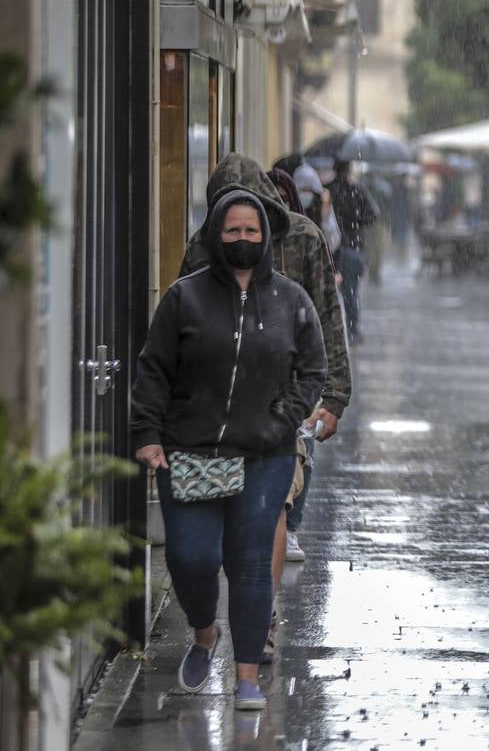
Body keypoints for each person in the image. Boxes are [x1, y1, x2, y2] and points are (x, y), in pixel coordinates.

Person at [131, 190, 326, 710]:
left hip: (265, 455)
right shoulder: (183, 298)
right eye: (233, 231)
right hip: (190, 450)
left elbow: (313, 370)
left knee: (251, 563)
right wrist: (148, 435)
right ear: (216, 235)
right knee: (190, 557)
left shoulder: (292, 300)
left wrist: (281, 420)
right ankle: (203, 632)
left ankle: (246, 678)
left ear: (266, 237)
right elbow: (153, 370)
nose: (243, 239)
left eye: (252, 231)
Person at [183, 155, 351, 572]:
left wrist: (335, 395)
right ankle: (245, 605)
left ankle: (262, 610)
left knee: (271, 505)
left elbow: (329, 315)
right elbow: (180, 326)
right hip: (221, 399)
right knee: (225, 514)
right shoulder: (203, 245)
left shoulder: (303, 237)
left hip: (286, 394)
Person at [326, 157, 380, 342]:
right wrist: (356, 222)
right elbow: (374, 215)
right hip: (352, 246)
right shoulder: (356, 190)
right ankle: (352, 330)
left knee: (328, 291)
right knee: (351, 291)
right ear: (348, 170)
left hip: (329, 248)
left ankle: (333, 331)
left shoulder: (326, 190)